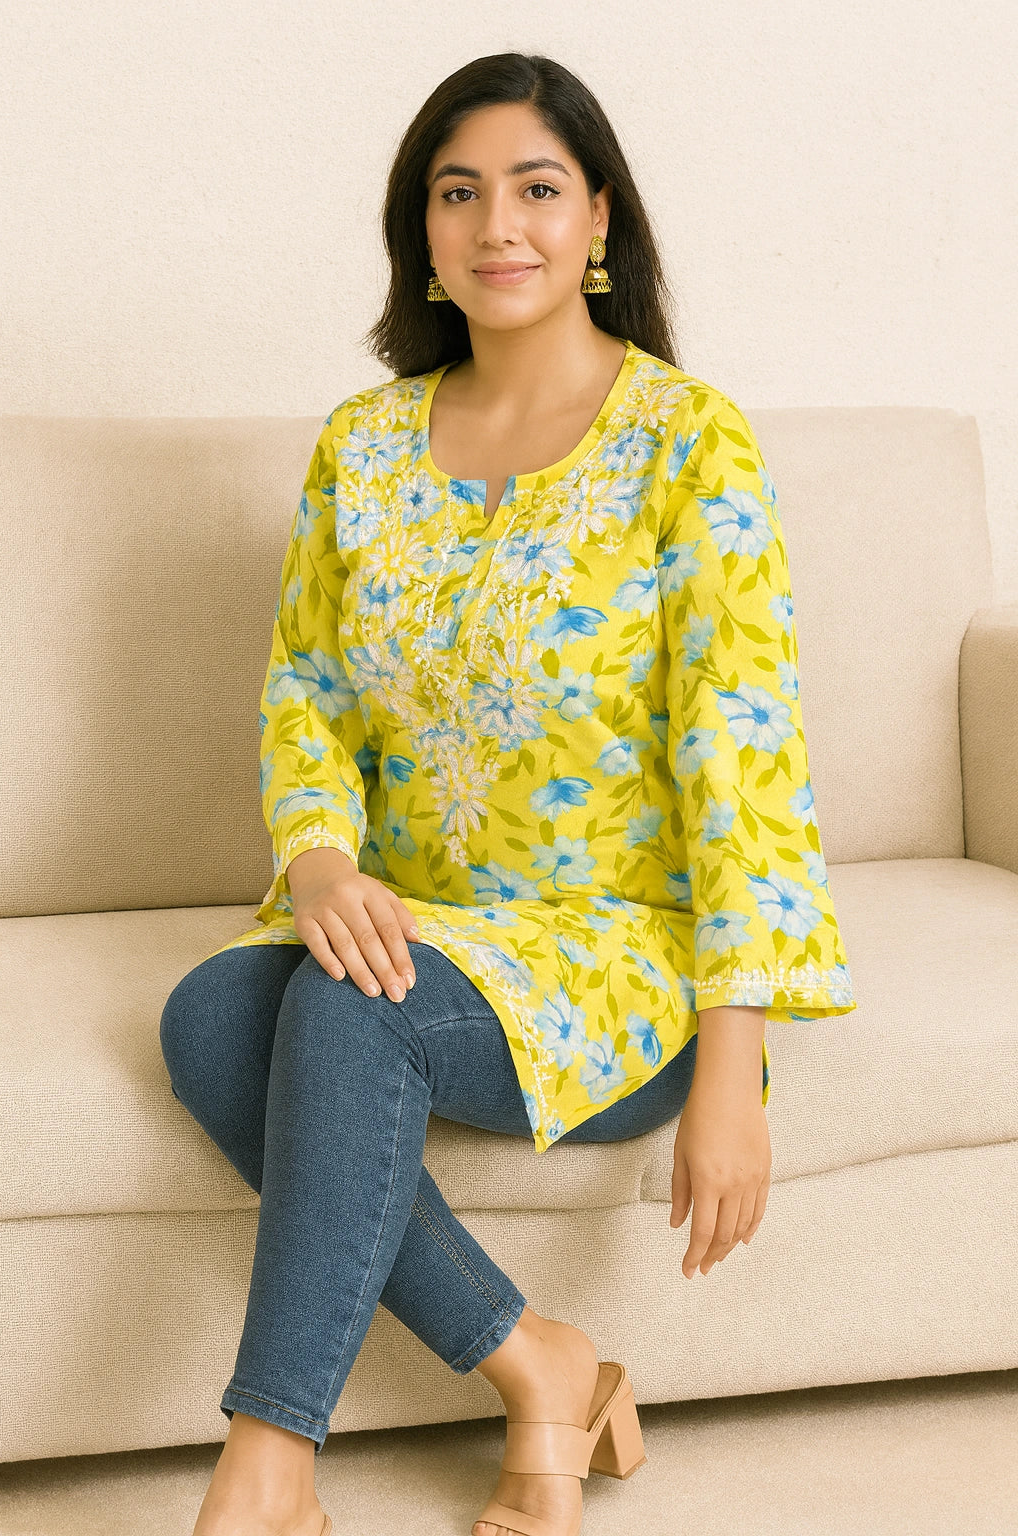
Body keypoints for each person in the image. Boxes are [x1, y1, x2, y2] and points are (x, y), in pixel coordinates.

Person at [159, 50, 856, 1536]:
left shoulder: (690, 442)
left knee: (350, 1007)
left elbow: (745, 761)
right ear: (421, 232)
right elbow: (308, 695)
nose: (498, 225)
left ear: (599, 216)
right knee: (211, 1014)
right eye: (457, 193)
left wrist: (733, 1067)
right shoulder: (360, 449)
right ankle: (541, 1364)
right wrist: (322, 861)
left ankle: (267, 1470)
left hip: (625, 955)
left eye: (538, 188)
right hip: (420, 928)